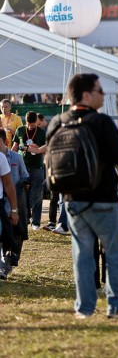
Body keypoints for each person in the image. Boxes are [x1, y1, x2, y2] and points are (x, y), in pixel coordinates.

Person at [46, 73, 118, 319]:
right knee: (116, 253)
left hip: (71, 199)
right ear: (86, 95)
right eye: (99, 90)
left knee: (82, 256)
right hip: (104, 199)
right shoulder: (100, 122)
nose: (103, 95)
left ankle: (84, 308)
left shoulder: (58, 122)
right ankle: (117, 306)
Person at [12, 111, 46, 230]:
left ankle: (36, 221)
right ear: (26, 121)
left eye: (34, 125)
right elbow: (15, 147)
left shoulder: (42, 132)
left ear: (37, 121)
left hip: (37, 167)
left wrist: (39, 149)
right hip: (22, 167)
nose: (32, 127)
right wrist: (9, 160)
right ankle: (25, 218)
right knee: (22, 194)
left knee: (37, 194)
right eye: (30, 125)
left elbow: (45, 149)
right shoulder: (20, 130)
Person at [0, 128, 27, 280]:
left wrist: (24, 183)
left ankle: (8, 264)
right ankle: (3, 266)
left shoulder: (16, 158)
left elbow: (23, 176)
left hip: (14, 203)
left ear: (6, 142)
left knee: (15, 236)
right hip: (1, 204)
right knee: (3, 236)